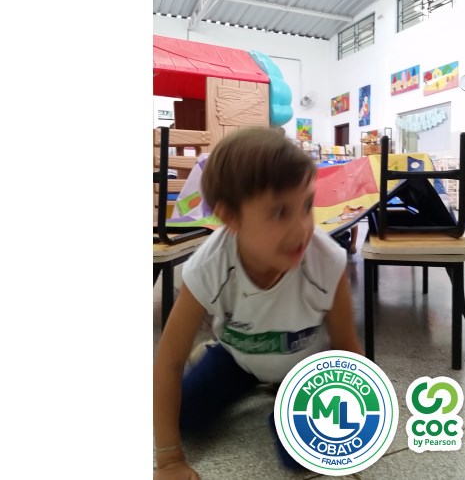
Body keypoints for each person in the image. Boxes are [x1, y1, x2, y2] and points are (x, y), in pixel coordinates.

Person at [153, 127, 363, 479]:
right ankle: (223, 358)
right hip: (239, 359)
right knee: (184, 417)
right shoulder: (209, 267)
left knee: (305, 453)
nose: (301, 229)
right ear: (231, 218)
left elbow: (346, 349)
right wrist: (169, 460)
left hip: (305, 368)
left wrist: (358, 416)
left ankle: (283, 395)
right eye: (279, 212)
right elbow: (169, 362)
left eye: (306, 206)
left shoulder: (326, 261)